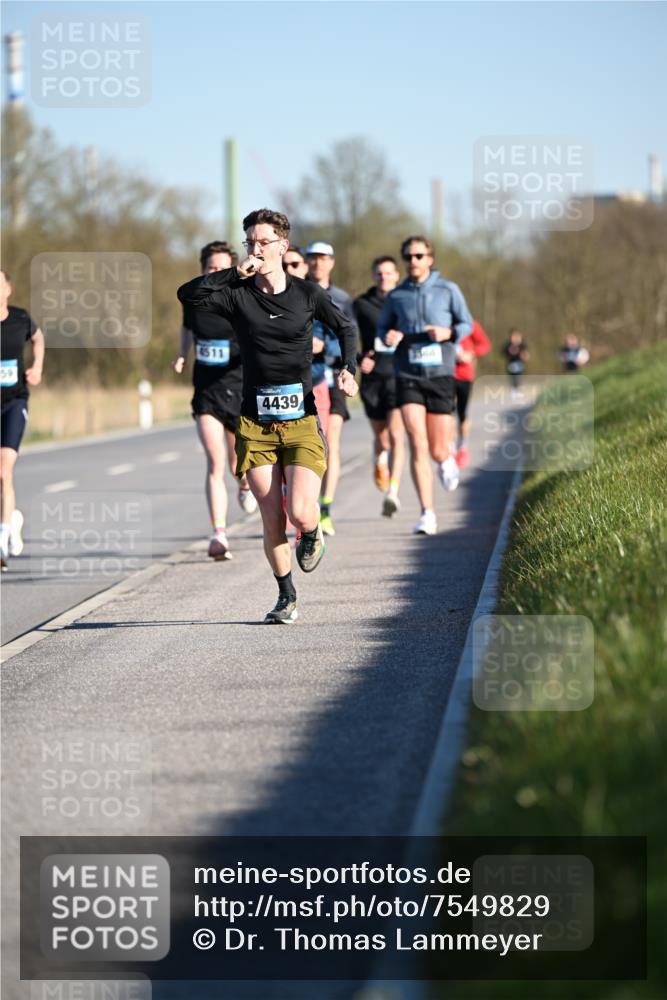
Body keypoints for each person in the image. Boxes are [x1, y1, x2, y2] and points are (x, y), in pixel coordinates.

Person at [178, 208, 358, 624]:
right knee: (271, 516)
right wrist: (232, 274)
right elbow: (188, 296)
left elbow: (345, 327)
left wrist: (347, 367)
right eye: (250, 242)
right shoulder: (237, 294)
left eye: (264, 242)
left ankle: (311, 532)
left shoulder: (306, 293)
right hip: (254, 423)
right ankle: (286, 596)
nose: (256, 249)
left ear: (283, 246)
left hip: (300, 421)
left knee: (299, 511)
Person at [378, 236, 473, 536]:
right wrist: (390, 337)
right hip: (408, 375)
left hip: (441, 374)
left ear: (430, 258)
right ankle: (427, 513)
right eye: (408, 256)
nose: (413, 261)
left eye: (419, 256)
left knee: (435, 448)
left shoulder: (448, 289)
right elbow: (383, 329)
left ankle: (446, 460)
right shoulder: (397, 296)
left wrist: (449, 332)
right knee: (416, 441)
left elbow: (467, 323)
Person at [172, 240, 257, 562]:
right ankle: (219, 532)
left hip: (238, 387)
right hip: (206, 390)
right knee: (215, 460)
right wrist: (182, 355)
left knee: (239, 465)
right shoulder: (194, 299)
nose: (216, 273)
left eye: (223, 268)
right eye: (211, 268)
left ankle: (245, 485)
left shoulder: (242, 298)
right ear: (203, 270)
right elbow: (186, 329)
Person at [305, 241, 359, 538]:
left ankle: (324, 508)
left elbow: (351, 337)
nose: (317, 264)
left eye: (323, 258)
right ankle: (307, 504)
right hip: (306, 377)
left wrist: (325, 346)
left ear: (332, 263)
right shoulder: (296, 292)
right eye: (312, 258)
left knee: (331, 442)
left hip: (335, 374)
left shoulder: (342, 299)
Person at [353, 256, 405, 517]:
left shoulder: (407, 301)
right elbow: (347, 337)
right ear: (373, 276)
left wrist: (403, 336)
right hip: (373, 380)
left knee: (397, 434)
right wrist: (360, 360)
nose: (384, 277)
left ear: (397, 275)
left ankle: (392, 492)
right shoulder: (361, 305)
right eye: (379, 273)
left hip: (400, 377)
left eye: (388, 273)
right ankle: (379, 460)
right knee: (382, 437)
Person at [0, 269, 45, 571]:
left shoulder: (20, 318)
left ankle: (2, 539)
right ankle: (12, 520)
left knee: (4, 467)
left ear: (8, 289)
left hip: (14, 401)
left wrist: (37, 367)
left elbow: (39, 338)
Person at [453, 318, 491, 469]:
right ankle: (450, 449)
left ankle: (462, 446)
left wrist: (471, 353)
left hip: (464, 374)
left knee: (462, 414)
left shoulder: (469, 323)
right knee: (446, 412)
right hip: (445, 375)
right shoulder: (440, 321)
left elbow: (485, 344)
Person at [502, 328, 529, 401]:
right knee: (512, 377)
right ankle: (513, 390)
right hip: (511, 364)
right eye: (513, 336)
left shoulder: (521, 345)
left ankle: (518, 390)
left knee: (519, 376)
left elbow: (525, 353)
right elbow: (503, 352)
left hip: (519, 363)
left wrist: (525, 356)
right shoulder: (508, 345)